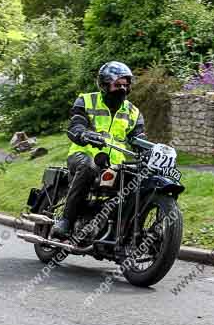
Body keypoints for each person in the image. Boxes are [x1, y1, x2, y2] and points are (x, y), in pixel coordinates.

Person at [51, 61, 145, 239]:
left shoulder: (133, 112)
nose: (123, 89)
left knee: (139, 180)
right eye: (118, 85)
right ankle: (66, 221)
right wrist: (85, 134)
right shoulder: (86, 100)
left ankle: (122, 232)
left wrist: (151, 151)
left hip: (115, 165)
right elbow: (75, 126)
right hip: (82, 156)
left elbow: (139, 139)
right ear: (104, 85)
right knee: (89, 167)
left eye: (126, 85)